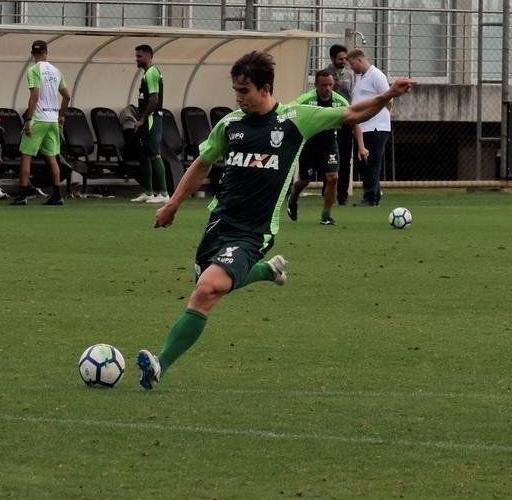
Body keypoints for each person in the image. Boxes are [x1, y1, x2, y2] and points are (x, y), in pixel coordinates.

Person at [135, 50, 415, 390]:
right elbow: (203, 163)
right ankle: (269, 271)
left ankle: (159, 365)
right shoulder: (230, 124)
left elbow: (353, 113)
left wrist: (388, 95)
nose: (238, 98)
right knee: (211, 283)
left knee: (207, 290)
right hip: (218, 223)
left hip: (254, 231)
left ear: (265, 88)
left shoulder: (295, 119)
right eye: (236, 91)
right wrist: (173, 204)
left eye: (244, 91)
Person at [285, 68, 359, 226]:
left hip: (329, 142)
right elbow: (289, 112)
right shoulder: (306, 99)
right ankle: (293, 196)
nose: (327, 88)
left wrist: (362, 146)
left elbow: (355, 122)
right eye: (324, 85)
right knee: (304, 181)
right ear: (316, 85)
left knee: (333, 178)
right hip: (309, 142)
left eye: (330, 85)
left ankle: (326, 216)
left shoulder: (340, 101)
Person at [10, 40, 70, 206]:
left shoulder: (33, 70)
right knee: (52, 158)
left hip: (38, 119)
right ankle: (57, 195)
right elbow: (67, 97)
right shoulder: (56, 71)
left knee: (26, 156)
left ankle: (23, 195)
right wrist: (61, 115)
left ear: (32, 54)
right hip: (52, 120)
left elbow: (35, 95)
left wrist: (28, 120)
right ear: (46, 52)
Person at [347, 48, 391, 206]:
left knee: (372, 162)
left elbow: (388, 98)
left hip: (375, 127)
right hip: (364, 126)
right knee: (365, 163)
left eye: (352, 64)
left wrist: (379, 117)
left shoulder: (376, 75)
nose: (352, 67)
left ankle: (370, 197)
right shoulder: (363, 78)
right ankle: (374, 194)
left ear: (360, 60)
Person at [131, 44, 167, 204]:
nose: (137, 59)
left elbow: (154, 99)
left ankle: (164, 193)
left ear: (148, 56)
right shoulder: (147, 74)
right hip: (146, 119)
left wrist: (142, 119)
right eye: (136, 56)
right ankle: (148, 192)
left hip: (152, 118)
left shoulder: (152, 72)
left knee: (154, 153)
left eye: (139, 56)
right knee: (144, 154)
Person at [329, 43, 356, 205]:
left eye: (345, 59)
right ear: (332, 59)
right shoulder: (326, 74)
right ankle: (328, 192)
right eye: (340, 59)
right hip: (330, 120)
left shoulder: (350, 74)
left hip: (345, 119)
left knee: (345, 159)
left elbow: (352, 95)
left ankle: (343, 195)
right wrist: (333, 89)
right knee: (329, 158)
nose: (343, 61)